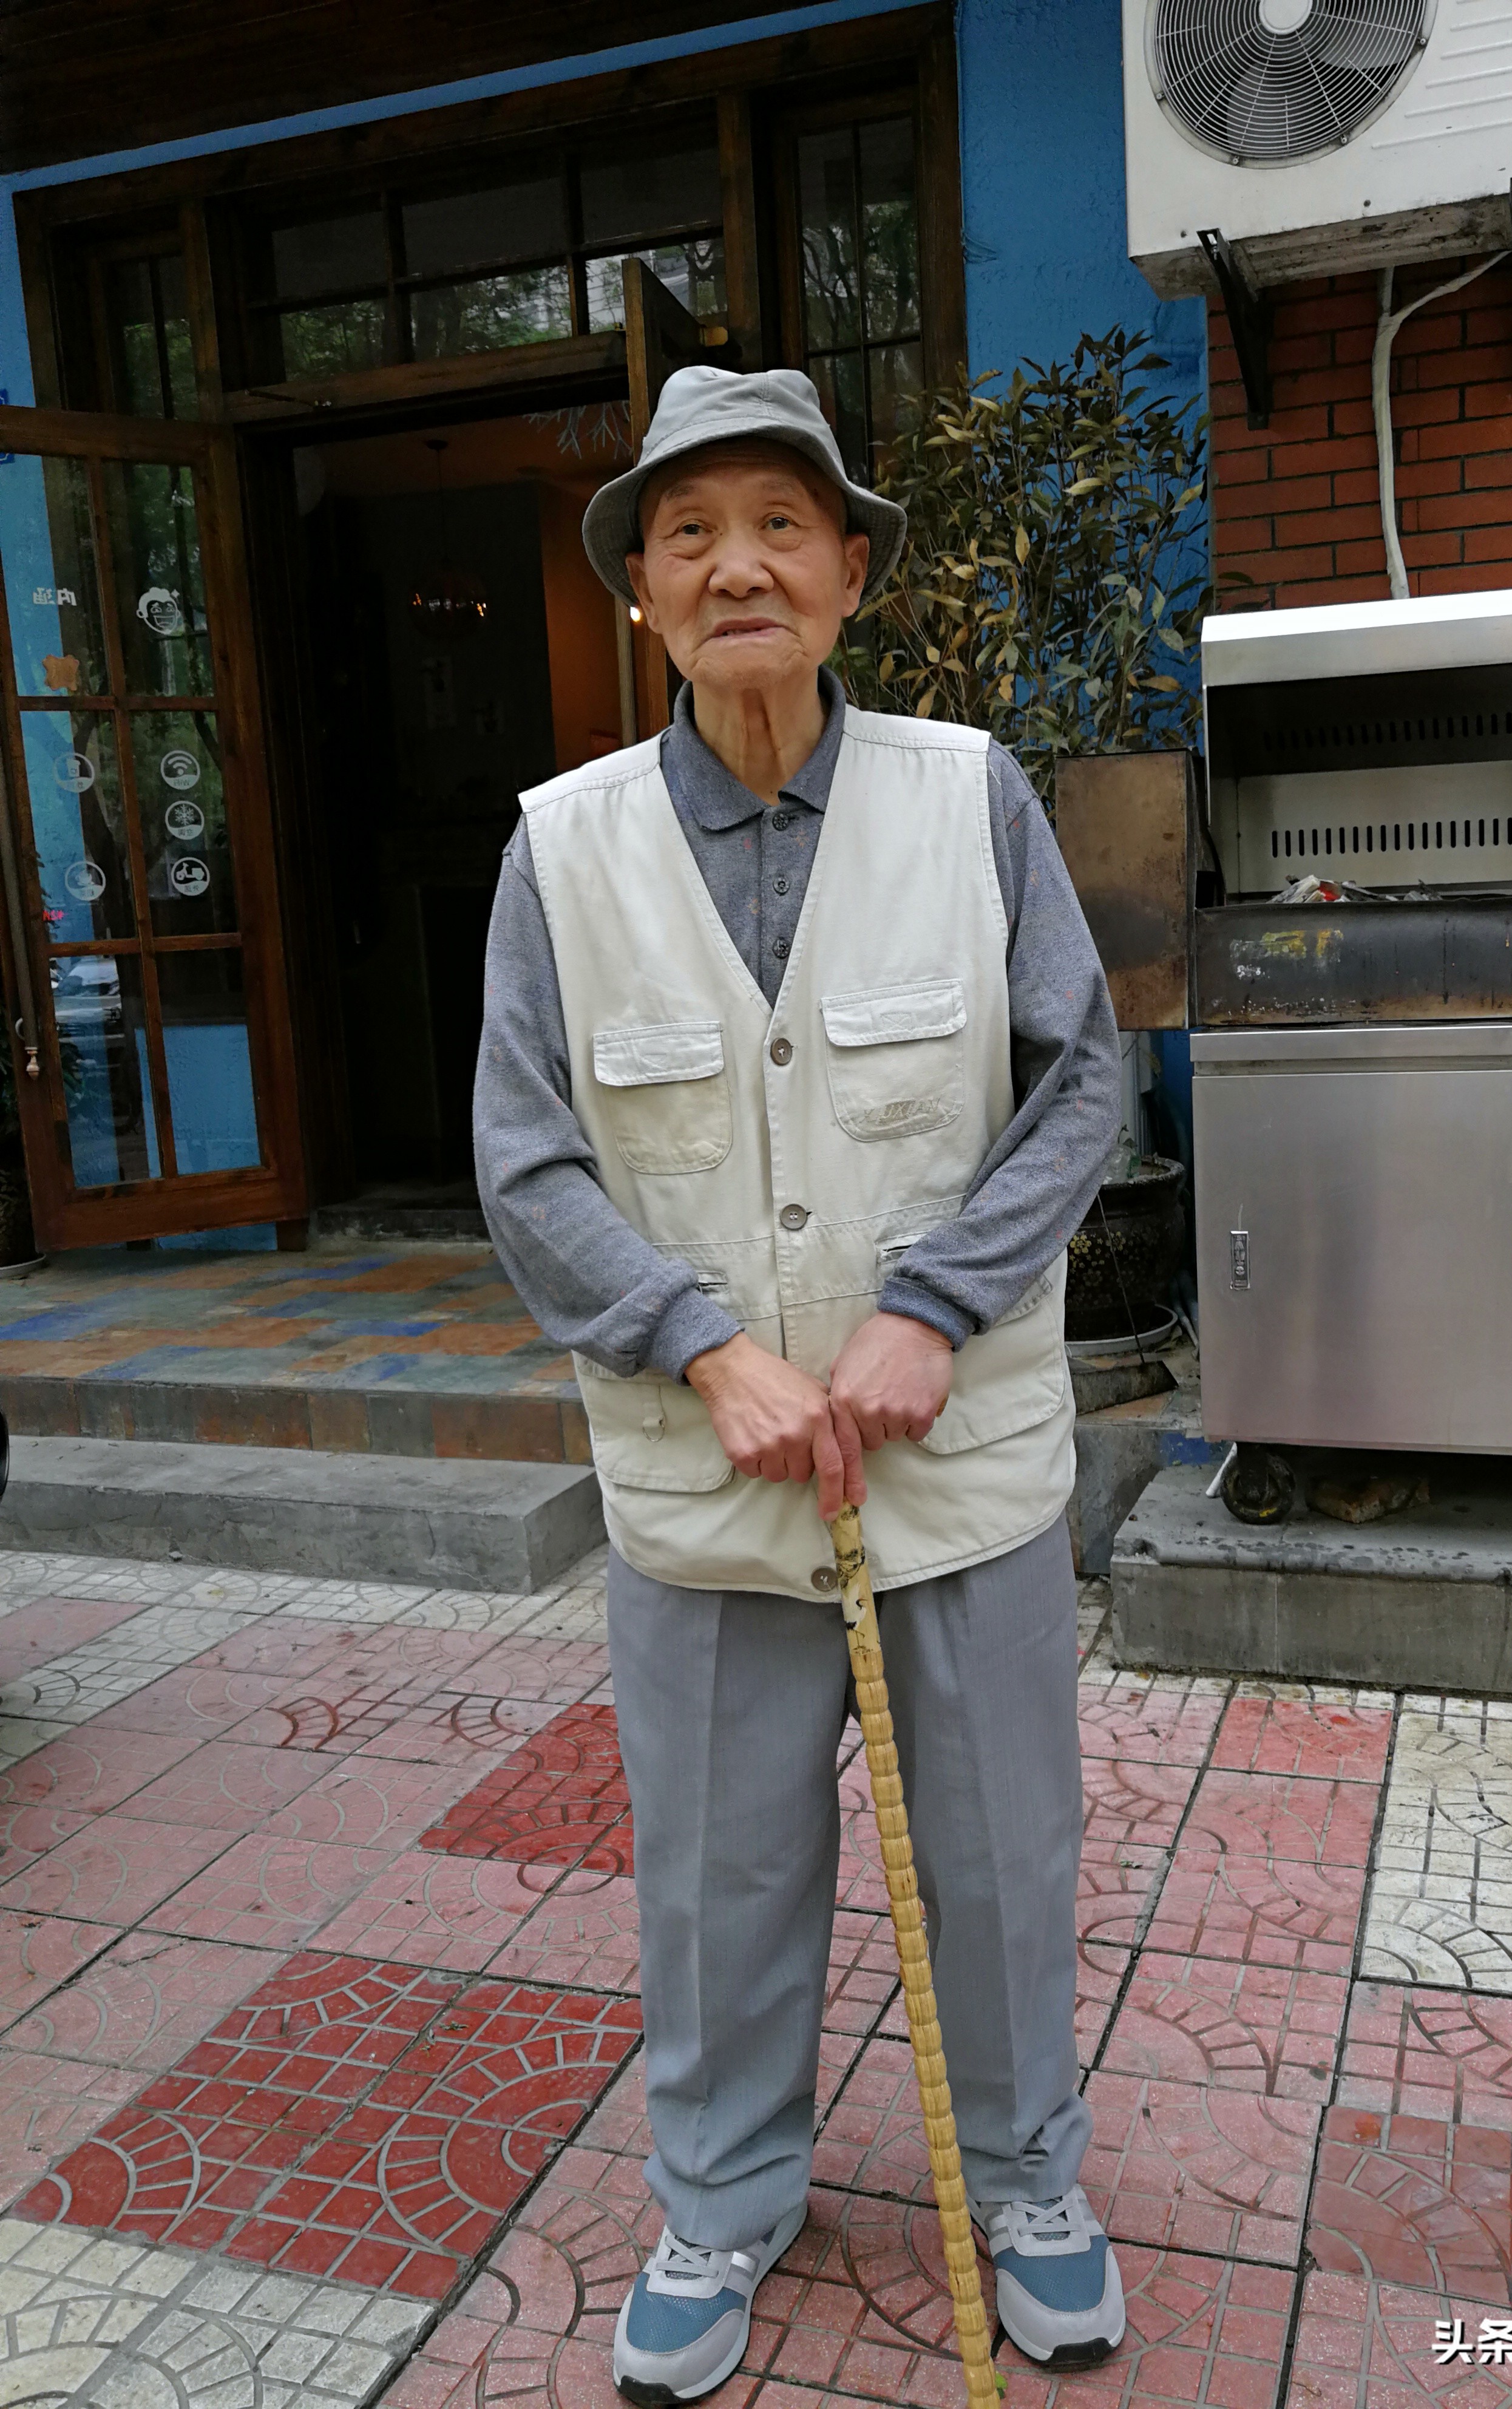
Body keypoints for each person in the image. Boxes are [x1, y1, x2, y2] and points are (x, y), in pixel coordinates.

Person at [474, 364, 1123, 2406]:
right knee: (718, 1861)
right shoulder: (561, 851)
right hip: (707, 1471)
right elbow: (526, 1153)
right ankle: (725, 2195)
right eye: (689, 532)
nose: (737, 562)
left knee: (1004, 1848)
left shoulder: (970, 793)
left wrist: (935, 1305)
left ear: (849, 570)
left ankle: (1023, 2181)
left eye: (780, 523)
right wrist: (699, 1344)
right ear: (644, 596)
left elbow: (1081, 1075)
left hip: (960, 1457)